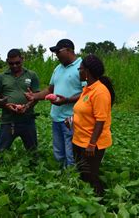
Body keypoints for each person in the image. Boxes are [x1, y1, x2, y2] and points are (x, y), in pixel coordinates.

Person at [24, 39, 83, 168]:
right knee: (58, 153)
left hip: (72, 118)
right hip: (56, 117)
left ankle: (72, 180)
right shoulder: (58, 68)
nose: (56, 55)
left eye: (58, 51)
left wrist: (66, 100)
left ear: (69, 50)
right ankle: (61, 177)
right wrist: (35, 96)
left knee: (71, 154)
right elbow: (50, 89)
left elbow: (87, 93)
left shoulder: (82, 66)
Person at [71, 54, 115, 197]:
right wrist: (71, 120)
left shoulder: (100, 92)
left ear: (87, 71)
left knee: (90, 176)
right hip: (78, 140)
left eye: (80, 69)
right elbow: (83, 112)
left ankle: (100, 203)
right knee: (82, 174)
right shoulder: (87, 89)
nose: (79, 71)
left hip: (91, 144)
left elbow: (100, 120)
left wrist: (92, 144)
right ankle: (86, 201)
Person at [0, 49, 40, 158]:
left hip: (27, 120)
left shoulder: (31, 75)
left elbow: (37, 96)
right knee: (0, 152)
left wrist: (27, 107)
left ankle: (35, 170)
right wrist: (7, 106)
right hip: (8, 121)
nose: (14, 66)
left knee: (33, 152)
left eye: (17, 63)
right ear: (7, 61)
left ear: (22, 59)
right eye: (11, 63)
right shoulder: (1, 77)